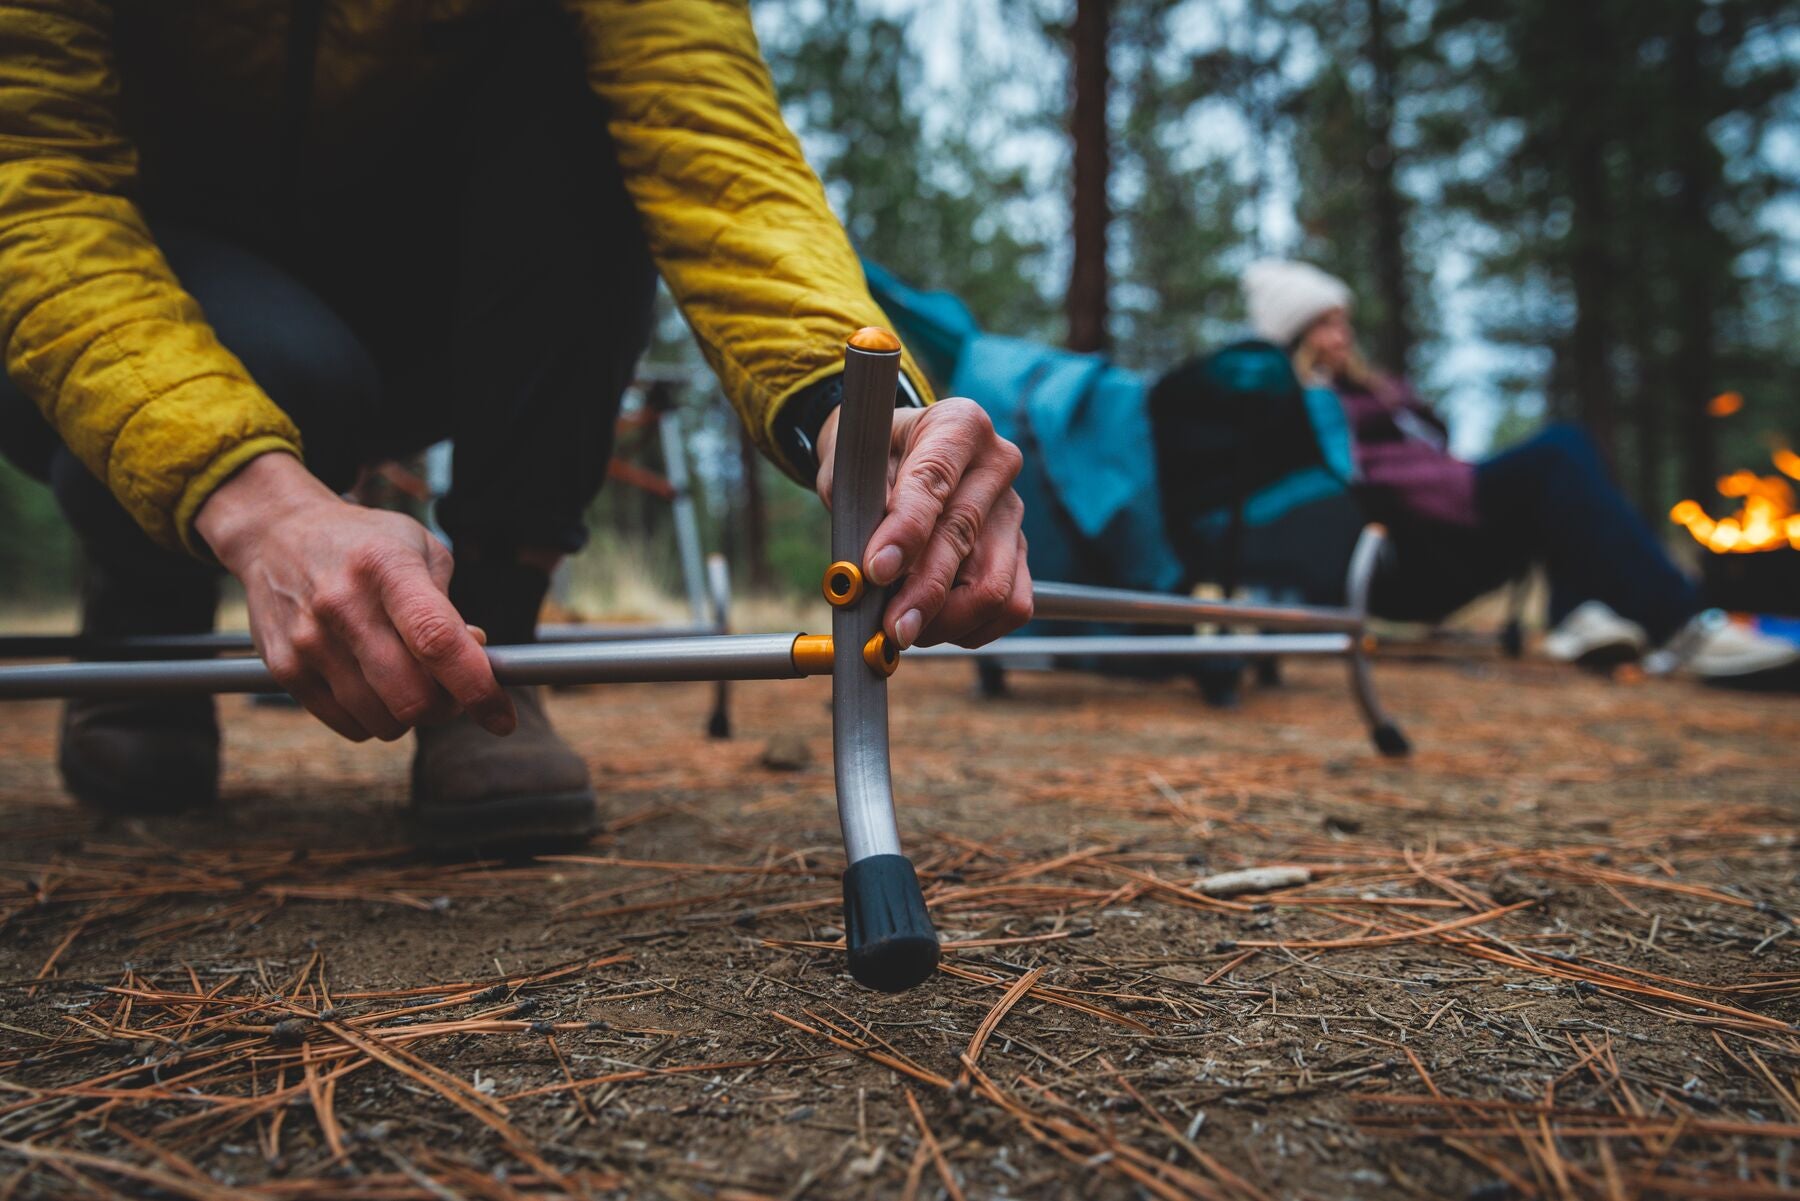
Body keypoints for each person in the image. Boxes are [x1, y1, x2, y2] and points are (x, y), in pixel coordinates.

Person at [0, 3, 1032, 853]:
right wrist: (259, 501)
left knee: (587, 94)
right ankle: (146, 595)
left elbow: (716, 156)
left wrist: (854, 414)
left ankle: (490, 642)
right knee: (286, 367)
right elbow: (30, 186)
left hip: (423, 294)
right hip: (139, 263)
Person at [1240, 259, 1798, 680]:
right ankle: (1685, 623)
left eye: (1342, 323)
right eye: (1321, 326)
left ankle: (1583, 618)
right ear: (1289, 338)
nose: (1340, 338)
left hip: (1450, 525)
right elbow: (1330, 475)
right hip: (1408, 555)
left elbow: (1432, 437)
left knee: (1560, 475)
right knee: (1558, 451)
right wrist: (1310, 391)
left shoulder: (1367, 390)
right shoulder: (1295, 404)